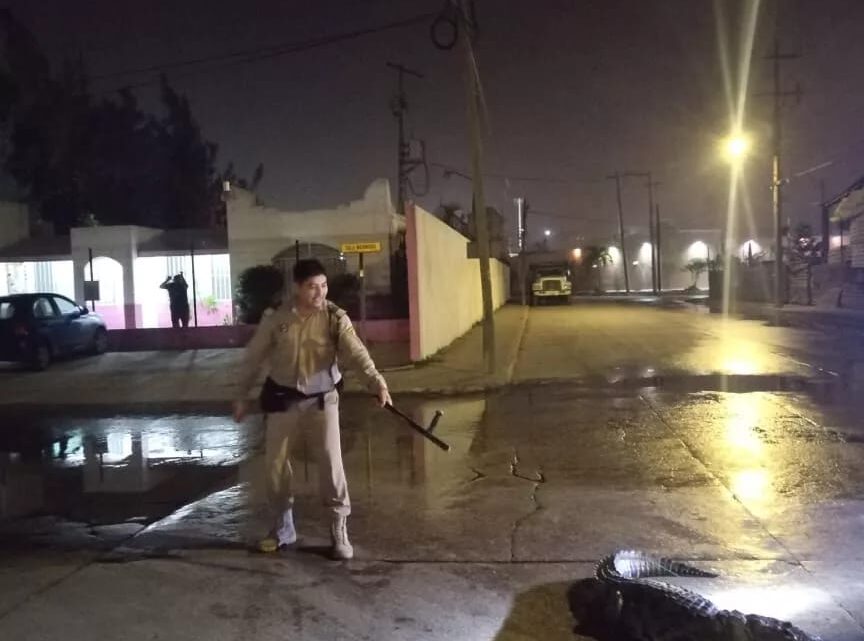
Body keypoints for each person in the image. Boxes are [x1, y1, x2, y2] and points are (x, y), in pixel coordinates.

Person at [232, 259, 391, 560]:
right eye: (312, 287)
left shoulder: (334, 317)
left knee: (331, 464)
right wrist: (241, 396)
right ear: (297, 287)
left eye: (323, 286)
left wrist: (376, 382)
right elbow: (254, 358)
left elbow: (356, 353)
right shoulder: (276, 318)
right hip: (283, 400)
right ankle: (283, 527)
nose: (320, 293)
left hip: (323, 400)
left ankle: (338, 528)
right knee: (275, 465)